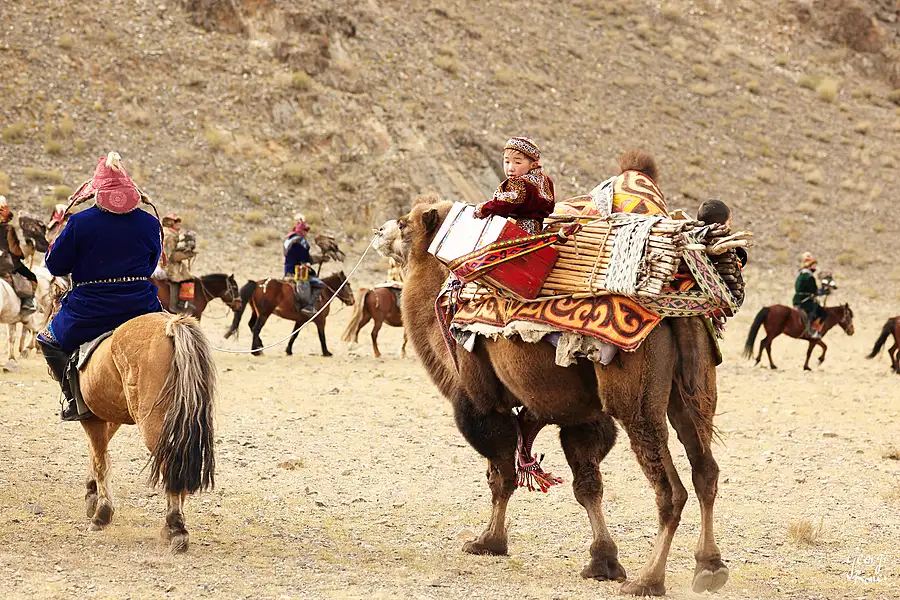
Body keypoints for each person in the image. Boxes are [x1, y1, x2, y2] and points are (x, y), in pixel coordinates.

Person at [37, 152, 163, 421]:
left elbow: (56, 266)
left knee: (47, 341)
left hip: (89, 308)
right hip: (141, 305)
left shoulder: (80, 222)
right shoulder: (150, 222)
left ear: (97, 191)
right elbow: (152, 265)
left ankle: (75, 400)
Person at [473, 137, 555, 235]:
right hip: (535, 230)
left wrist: (482, 209)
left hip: (516, 231)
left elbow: (503, 205)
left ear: (533, 165)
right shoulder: (545, 181)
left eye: (517, 163)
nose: (510, 168)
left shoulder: (519, 183)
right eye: (507, 162)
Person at [0, 196, 38, 312]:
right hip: (6, 263)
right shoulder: (8, 229)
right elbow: (13, 249)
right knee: (32, 277)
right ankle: (28, 302)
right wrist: (21, 255)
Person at [283, 214, 324, 314]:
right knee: (319, 284)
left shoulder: (288, 240)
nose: (306, 233)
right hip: (298, 271)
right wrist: (319, 259)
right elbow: (305, 258)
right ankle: (309, 306)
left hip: (287, 270)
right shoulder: (301, 240)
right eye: (306, 230)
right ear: (302, 231)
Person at [160, 213, 196, 312]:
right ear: (170, 223)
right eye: (176, 222)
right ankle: (178, 304)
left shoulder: (165, 232)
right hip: (167, 265)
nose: (179, 225)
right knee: (186, 278)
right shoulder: (170, 235)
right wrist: (186, 255)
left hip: (164, 263)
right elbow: (169, 255)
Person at [792, 252, 828, 339]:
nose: (815, 268)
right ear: (809, 266)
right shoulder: (808, 277)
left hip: (797, 299)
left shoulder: (801, 274)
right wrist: (824, 291)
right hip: (805, 300)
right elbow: (814, 291)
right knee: (822, 313)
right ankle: (812, 331)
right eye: (814, 266)